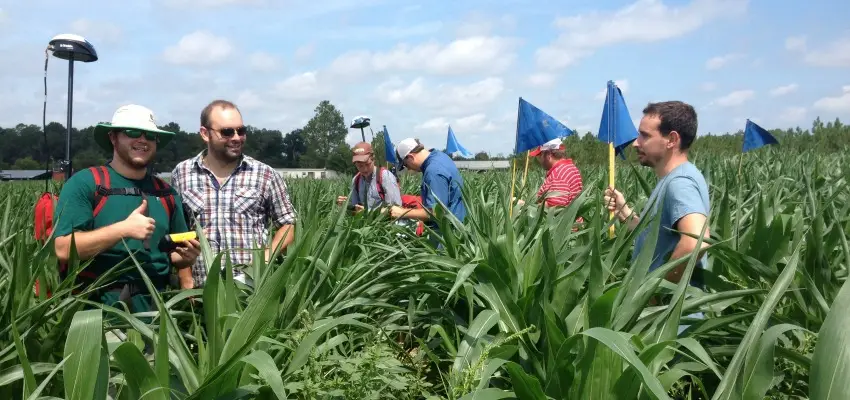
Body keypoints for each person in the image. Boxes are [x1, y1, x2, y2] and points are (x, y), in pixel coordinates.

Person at [51, 104, 200, 313]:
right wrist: (123, 230)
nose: (142, 140)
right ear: (113, 137)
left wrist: (187, 262)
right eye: (132, 132)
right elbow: (63, 249)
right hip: (96, 311)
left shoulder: (166, 193)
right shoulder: (87, 184)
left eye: (150, 135)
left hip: (157, 309)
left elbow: (177, 255)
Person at [170, 100, 297, 288]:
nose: (237, 138)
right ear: (205, 134)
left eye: (241, 130)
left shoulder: (265, 174)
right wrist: (185, 278)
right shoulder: (182, 173)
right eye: (227, 132)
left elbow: (287, 223)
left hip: (250, 289)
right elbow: (179, 231)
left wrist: (264, 258)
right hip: (200, 289)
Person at [604, 100, 710, 290]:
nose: (636, 143)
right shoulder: (672, 179)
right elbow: (656, 237)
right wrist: (625, 213)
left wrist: (656, 291)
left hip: (671, 314)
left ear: (672, 139)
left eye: (645, 136)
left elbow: (697, 241)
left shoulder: (680, 183)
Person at [385, 138, 466, 232]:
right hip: (457, 225)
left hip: (448, 234)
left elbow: (435, 213)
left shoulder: (433, 172)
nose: (409, 169)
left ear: (411, 157)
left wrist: (402, 212)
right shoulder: (440, 156)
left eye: (406, 165)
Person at [336, 142, 402, 213]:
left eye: (367, 164)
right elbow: (356, 207)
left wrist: (367, 212)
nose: (364, 169)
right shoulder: (356, 180)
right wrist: (346, 205)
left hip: (386, 222)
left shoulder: (385, 177)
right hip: (365, 223)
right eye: (360, 166)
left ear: (373, 159)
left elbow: (395, 210)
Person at [519, 138, 584, 208]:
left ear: (549, 155)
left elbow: (554, 206)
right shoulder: (571, 167)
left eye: (540, 155)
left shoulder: (558, 174)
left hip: (561, 219)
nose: (540, 160)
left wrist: (525, 206)